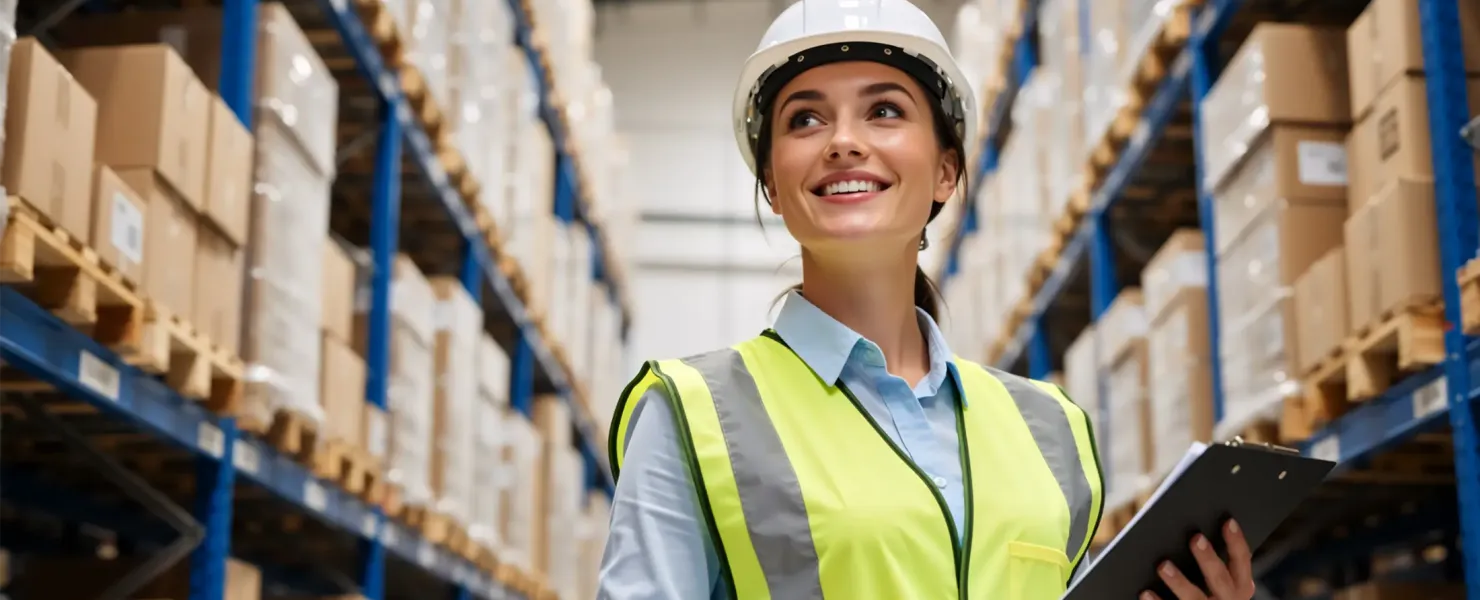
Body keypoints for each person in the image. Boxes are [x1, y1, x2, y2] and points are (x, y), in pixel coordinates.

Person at [596, 0, 1256, 597]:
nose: (843, 141)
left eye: (884, 111)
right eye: (804, 119)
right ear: (772, 182)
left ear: (946, 169)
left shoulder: (1050, 427)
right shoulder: (693, 416)